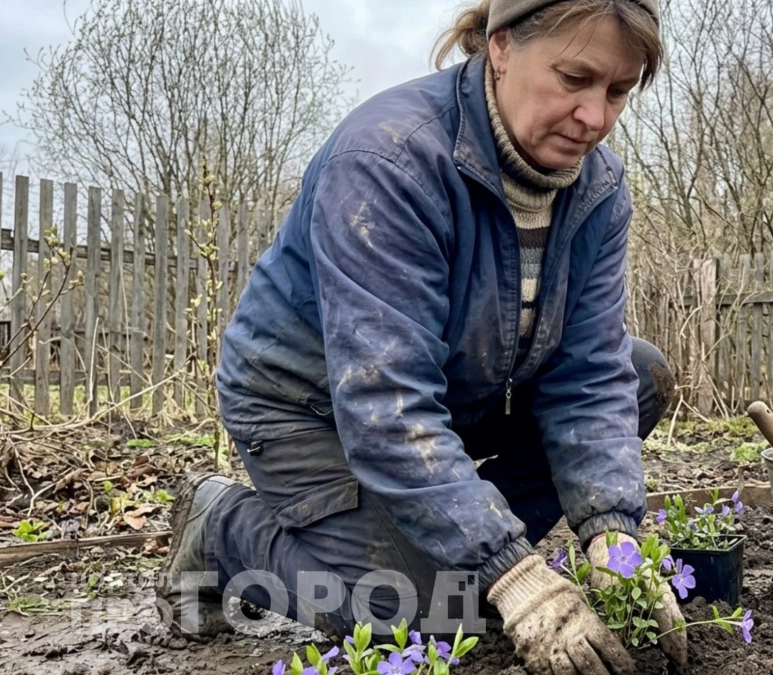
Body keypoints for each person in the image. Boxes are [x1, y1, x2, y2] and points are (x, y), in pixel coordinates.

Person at [154, 1, 687, 673]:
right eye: (574, 79)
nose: (595, 117)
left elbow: (590, 376)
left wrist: (615, 538)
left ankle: (461, 547)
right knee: (422, 610)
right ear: (500, 47)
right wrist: (515, 575)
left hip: (452, 395)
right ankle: (223, 529)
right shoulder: (391, 162)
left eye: (617, 91)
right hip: (309, 408)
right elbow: (386, 403)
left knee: (640, 376)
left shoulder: (598, 192)